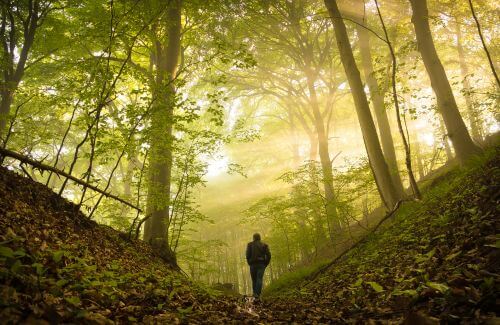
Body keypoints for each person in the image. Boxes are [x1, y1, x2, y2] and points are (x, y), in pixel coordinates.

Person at [246, 233, 271, 299]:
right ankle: (257, 294)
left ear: (253, 238)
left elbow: (247, 255)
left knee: (254, 280)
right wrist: (266, 263)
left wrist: (249, 263)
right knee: (259, 279)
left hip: (253, 264)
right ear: (260, 238)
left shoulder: (250, 244)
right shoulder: (264, 245)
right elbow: (269, 255)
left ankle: (255, 294)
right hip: (261, 264)